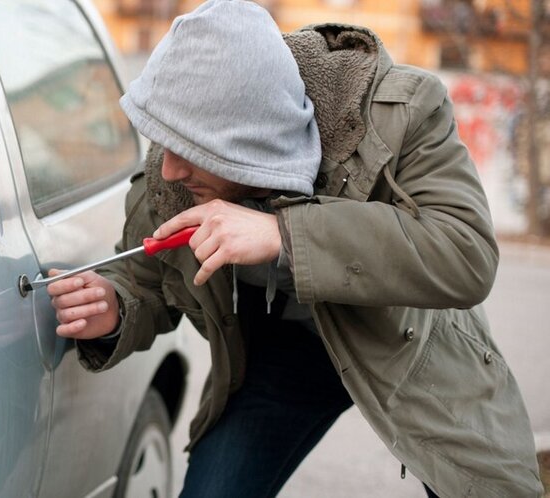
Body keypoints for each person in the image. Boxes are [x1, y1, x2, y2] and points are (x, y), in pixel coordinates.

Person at [47, 1, 544, 496]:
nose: (171, 169)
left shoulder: (402, 112)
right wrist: (114, 307)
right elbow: (146, 278)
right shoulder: (171, 173)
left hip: (410, 346)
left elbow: (465, 253)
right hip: (283, 360)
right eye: (165, 144)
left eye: (190, 150)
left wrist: (284, 235)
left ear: (248, 142)